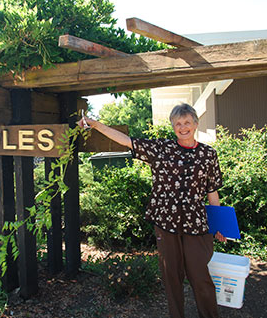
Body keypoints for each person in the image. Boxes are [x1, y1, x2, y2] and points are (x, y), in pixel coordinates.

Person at [78, 103, 226, 318]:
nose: (183, 127)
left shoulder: (208, 154)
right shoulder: (161, 149)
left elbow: (212, 191)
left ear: (195, 123)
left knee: (200, 275)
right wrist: (95, 124)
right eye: (178, 123)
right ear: (173, 127)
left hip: (196, 224)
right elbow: (126, 141)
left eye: (186, 122)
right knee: (171, 277)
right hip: (166, 222)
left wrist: (219, 225)